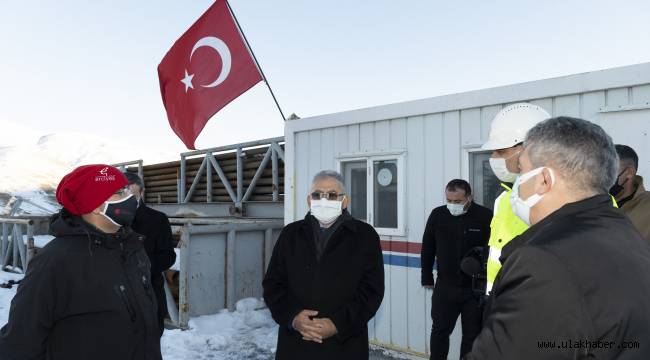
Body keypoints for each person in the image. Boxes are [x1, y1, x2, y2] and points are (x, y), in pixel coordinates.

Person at [466, 117, 650, 359]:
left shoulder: (541, 262)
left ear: (544, 180)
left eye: (522, 171)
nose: (518, 183)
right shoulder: (623, 231)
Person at [0, 165, 162, 360]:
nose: (131, 197)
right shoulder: (55, 261)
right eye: (120, 192)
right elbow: (21, 342)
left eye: (128, 190)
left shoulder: (133, 248)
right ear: (94, 205)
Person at [263, 170, 384, 360]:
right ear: (309, 200)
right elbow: (273, 284)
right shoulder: (290, 235)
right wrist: (293, 318)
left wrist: (337, 324)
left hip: (345, 345)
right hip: (295, 344)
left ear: (344, 201)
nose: (324, 200)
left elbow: (371, 291)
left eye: (332, 195)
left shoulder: (365, 236)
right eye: (318, 194)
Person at [480, 103, 550, 295]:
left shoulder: (572, 197)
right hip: (501, 303)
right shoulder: (505, 199)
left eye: (501, 151)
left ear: (531, 150)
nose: (493, 158)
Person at [420, 179, 492, 360]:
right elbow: (428, 247)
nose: (452, 205)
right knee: (440, 331)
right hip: (445, 286)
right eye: (449, 200)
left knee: (472, 335)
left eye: (457, 201)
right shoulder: (438, 215)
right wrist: (426, 277)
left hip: (474, 289)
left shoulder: (485, 216)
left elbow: (493, 249)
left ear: (469, 198)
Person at [123, 172, 177, 335]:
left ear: (142, 192)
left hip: (150, 293)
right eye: (122, 193)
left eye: (132, 193)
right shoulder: (109, 221)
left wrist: (139, 264)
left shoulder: (157, 219)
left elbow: (168, 256)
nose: (127, 198)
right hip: (118, 298)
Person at [612, 145, 650, 242]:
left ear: (629, 172)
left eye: (609, 171)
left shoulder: (647, 207)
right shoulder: (591, 199)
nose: (603, 177)